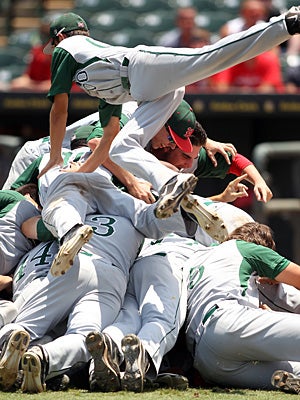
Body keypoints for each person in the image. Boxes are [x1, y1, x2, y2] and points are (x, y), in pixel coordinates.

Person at [38, 8, 298, 183]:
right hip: (141, 91)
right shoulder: (102, 89)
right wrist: (79, 174)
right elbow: (106, 141)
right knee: (120, 148)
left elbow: (59, 110)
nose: (53, 49)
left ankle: (287, 23)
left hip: (141, 67)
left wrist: (55, 158)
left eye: (54, 43)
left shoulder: (67, 47)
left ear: (58, 37)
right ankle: (171, 183)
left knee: (210, 57)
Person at [185, 221, 300, 392]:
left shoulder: (199, 257)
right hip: (226, 321)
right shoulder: (246, 247)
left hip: (206, 361)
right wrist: (275, 275)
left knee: (293, 369)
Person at [210, 49, 285, 93]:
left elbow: (268, 90)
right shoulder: (232, 62)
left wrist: (243, 91)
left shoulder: (269, 60)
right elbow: (221, 88)